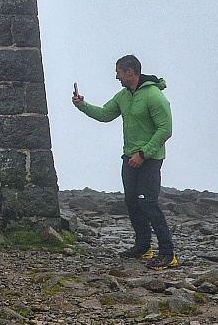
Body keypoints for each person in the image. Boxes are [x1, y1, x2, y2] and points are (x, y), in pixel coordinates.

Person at [72, 55, 177, 269]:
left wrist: (144, 153)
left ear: (130, 72)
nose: (116, 76)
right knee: (131, 201)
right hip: (129, 158)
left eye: (119, 71)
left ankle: (168, 254)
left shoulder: (154, 96)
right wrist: (82, 105)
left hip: (149, 159)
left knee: (148, 204)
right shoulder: (123, 96)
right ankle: (144, 247)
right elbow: (104, 114)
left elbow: (166, 129)